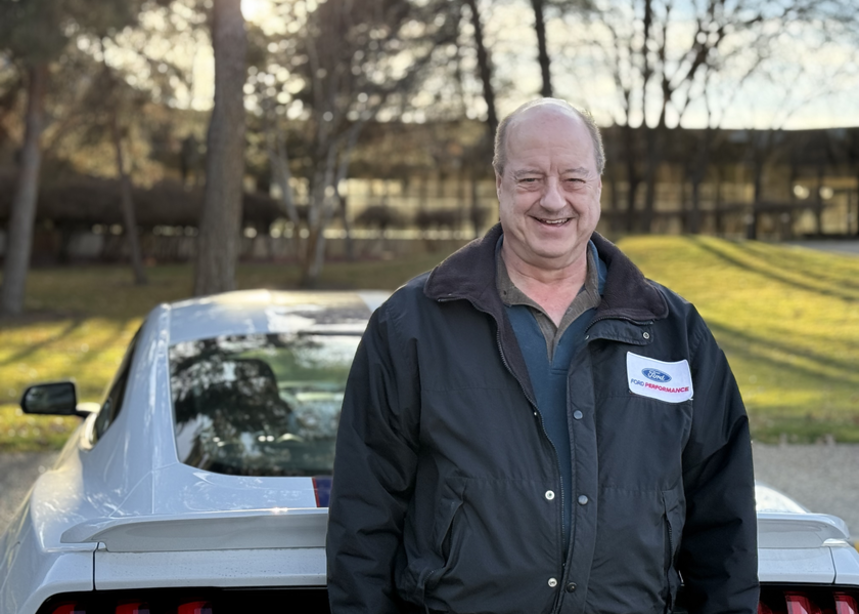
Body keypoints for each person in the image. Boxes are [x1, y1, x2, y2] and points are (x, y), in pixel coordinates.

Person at [327, 98, 759, 614]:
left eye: (573, 179)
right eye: (531, 179)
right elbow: (363, 520)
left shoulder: (673, 331)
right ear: (500, 183)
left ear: (599, 184)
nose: (554, 200)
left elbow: (725, 522)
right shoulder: (411, 326)